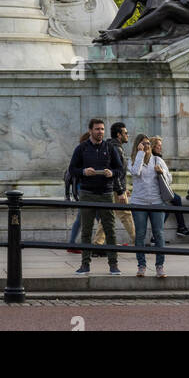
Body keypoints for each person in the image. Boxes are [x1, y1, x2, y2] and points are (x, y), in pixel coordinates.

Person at [67, 117, 124, 275]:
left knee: (110, 229)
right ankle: (85, 264)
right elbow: (72, 169)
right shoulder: (82, 148)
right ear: (90, 130)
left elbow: (120, 169)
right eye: (97, 129)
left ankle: (113, 264)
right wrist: (84, 172)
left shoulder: (110, 148)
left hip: (106, 193)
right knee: (86, 230)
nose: (100, 132)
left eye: (102, 129)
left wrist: (111, 173)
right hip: (87, 193)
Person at [129, 134, 169, 278]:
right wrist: (140, 154)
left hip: (156, 201)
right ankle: (141, 265)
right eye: (143, 143)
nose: (146, 146)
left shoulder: (157, 160)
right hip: (139, 202)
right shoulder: (132, 160)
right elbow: (135, 172)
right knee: (140, 234)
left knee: (158, 233)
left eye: (147, 144)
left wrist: (161, 172)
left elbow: (168, 179)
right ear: (137, 145)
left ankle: (160, 265)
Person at [150, 135, 189, 237]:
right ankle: (157, 236)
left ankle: (181, 227)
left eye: (160, 145)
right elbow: (164, 177)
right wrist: (164, 173)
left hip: (161, 190)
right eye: (158, 146)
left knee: (176, 200)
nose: (160, 147)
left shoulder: (157, 158)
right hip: (158, 191)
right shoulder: (155, 159)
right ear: (152, 147)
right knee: (170, 204)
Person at [65, 132, 92, 252]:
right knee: (100, 218)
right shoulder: (83, 152)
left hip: (86, 188)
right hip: (85, 188)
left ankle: (72, 243)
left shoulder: (84, 151)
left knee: (81, 218)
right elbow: (74, 170)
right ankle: (103, 244)